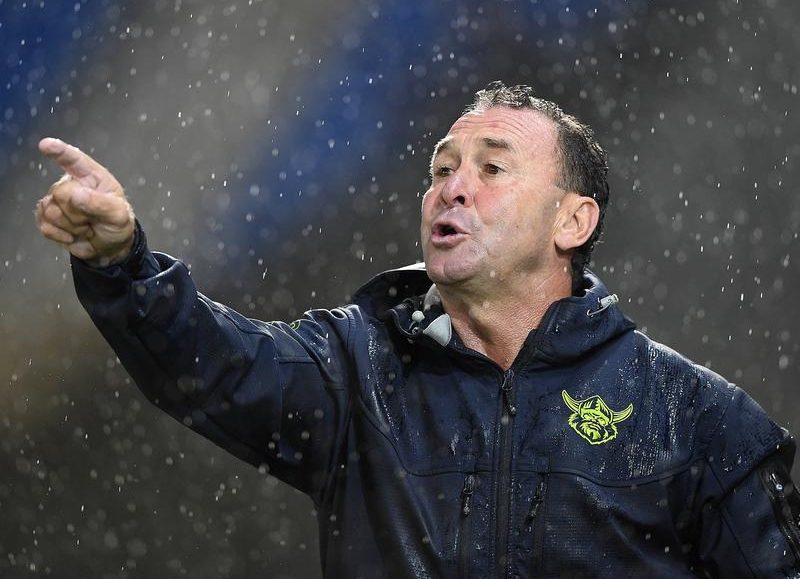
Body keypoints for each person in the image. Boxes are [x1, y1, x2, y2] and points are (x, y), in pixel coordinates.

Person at [36, 81, 800, 578]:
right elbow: (212, 364)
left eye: (492, 169)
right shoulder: (355, 367)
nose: (452, 188)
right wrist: (121, 264)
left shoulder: (700, 419)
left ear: (573, 221)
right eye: (440, 170)